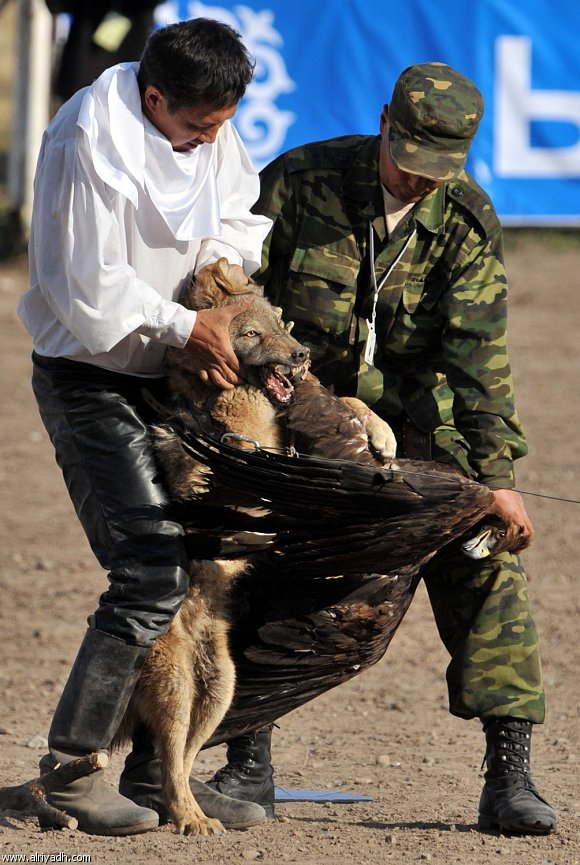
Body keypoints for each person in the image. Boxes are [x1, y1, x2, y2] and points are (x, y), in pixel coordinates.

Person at [205, 62, 558, 836]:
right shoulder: (299, 183)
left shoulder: (464, 219)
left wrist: (496, 480)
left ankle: (510, 775)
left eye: (439, 170)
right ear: (384, 124)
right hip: (299, 416)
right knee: (261, 551)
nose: (419, 181)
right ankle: (246, 760)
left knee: (487, 554)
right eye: (409, 161)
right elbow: (231, 297)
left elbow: (479, 363)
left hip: (420, 426)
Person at [17, 18, 273, 836]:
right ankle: (71, 770)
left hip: (175, 374)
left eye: (223, 123)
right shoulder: (86, 140)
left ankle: (162, 775)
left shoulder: (213, 125)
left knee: (213, 569)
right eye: (199, 125)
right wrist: (184, 325)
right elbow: (86, 294)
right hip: (89, 378)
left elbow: (238, 214)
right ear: (155, 97)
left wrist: (220, 282)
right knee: (149, 570)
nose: (212, 138)